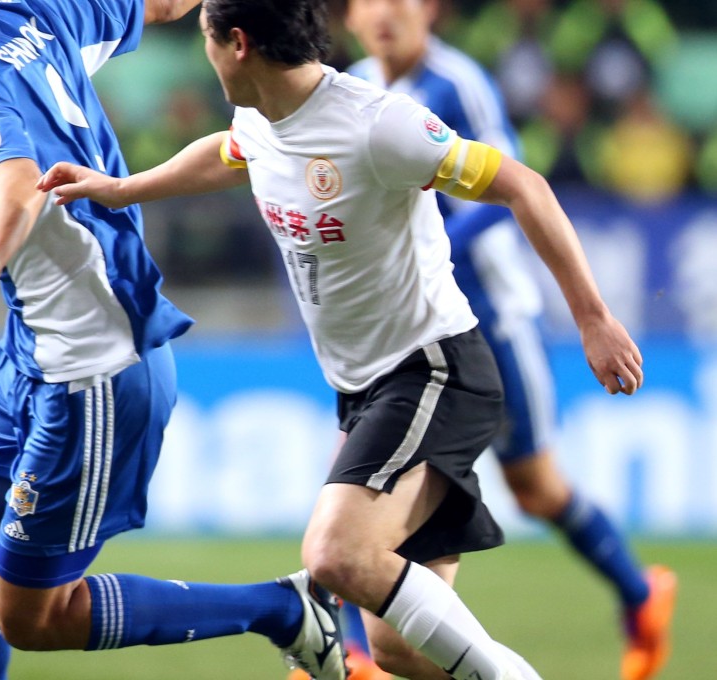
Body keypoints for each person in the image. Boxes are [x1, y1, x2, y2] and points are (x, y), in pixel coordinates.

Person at [38, 1, 648, 677]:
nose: (203, 54)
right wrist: (122, 190)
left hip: (433, 371)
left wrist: (593, 318)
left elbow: (523, 185)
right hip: (363, 387)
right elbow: (227, 153)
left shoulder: (378, 122)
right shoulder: (261, 117)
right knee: (398, 649)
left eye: (206, 38)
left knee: (334, 555)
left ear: (237, 43)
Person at [0, 2, 352, 679]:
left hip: (94, 365)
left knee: (34, 617)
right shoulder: (28, 12)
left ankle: (284, 608)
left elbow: (15, 179)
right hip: (32, 347)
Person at [340, 1, 677, 679]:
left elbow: (509, 183)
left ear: (429, 10)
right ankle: (352, 657)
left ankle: (642, 595)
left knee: (536, 489)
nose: (385, 14)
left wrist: (420, 248)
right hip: (402, 326)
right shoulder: (350, 87)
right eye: (368, 0)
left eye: (401, 0)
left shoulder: (456, 83)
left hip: (490, 315)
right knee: (354, 475)